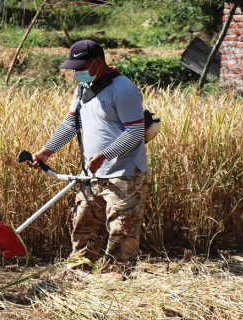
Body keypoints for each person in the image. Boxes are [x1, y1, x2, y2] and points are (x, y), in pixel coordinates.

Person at [29, 39, 148, 275]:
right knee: (83, 228)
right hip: (91, 174)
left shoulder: (124, 90)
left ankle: (117, 284)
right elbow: (72, 123)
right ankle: (77, 277)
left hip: (125, 176)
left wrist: (105, 155)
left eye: (81, 67)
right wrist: (46, 151)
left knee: (122, 233)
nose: (77, 72)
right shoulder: (83, 88)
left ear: (97, 62)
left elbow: (135, 131)